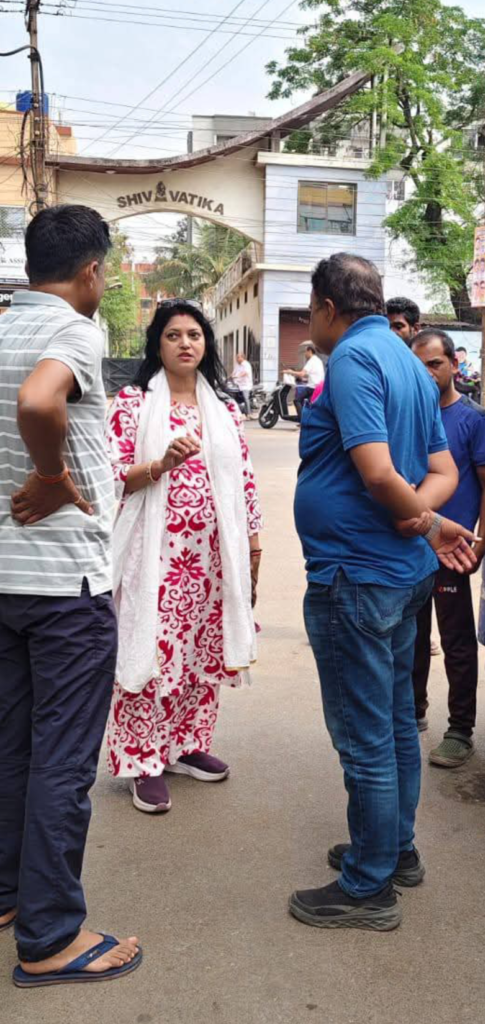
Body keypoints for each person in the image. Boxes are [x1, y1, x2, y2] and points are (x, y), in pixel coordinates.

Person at [290, 253, 479, 931]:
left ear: (327, 307)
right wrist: (422, 517)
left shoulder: (350, 358)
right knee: (396, 721)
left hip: (357, 575)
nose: (310, 325)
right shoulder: (406, 359)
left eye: (310, 312)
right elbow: (442, 470)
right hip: (397, 574)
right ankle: (393, 849)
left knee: (365, 734)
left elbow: (376, 472)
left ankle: (367, 887)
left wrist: (420, 520)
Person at [0, 204, 141, 987]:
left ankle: (8, 893)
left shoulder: (2, 328)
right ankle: (51, 936)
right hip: (65, 586)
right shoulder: (75, 332)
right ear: (91, 270)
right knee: (60, 759)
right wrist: (54, 478)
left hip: (5, 579)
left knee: (12, 745)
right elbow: (38, 402)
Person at [105, 300, 262, 814]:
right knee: (149, 653)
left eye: (194, 334)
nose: (185, 343)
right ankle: (142, 759)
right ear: (158, 345)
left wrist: (253, 546)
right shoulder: (133, 404)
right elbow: (109, 476)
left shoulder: (225, 408)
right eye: (173, 335)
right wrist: (160, 463)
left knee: (200, 652)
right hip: (155, 559)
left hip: (213, 561)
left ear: (206, 344)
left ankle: (186, 744)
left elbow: (244, 483)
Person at [410, 329, 485, 763]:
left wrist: (479, 544)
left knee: (457, 642)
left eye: (435, 364)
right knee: (410, 636)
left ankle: (460, 730)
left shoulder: (474, 419)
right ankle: (412, 711)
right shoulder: (408, 415)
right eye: (419, 366)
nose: (428, 373)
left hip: (453, 551)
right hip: (411, 546)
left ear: (454, 364)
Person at [287, 343, 325, 420]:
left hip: (312, 387)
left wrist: (290, 372)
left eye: (305, 352)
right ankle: (305, 418)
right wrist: (305, 379)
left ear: (309, 351)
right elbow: (314, 374)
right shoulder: (318, 361)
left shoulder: (311, 361)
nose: (305, 354)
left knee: (297, 400)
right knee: (306, 403)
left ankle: (302, 419)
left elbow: (302, 373)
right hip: (319, 387)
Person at [231, 351, 254, 419]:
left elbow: (245, 373)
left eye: (238, 357)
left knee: (245, 398)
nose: (237, 359)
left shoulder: (246, 364)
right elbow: (233, 373)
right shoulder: (237, 365)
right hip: (237, 384)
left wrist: (238, 376)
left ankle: (249, 414)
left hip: (245, 384)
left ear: (242, 358)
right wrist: (231, 376)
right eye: (236, 357)